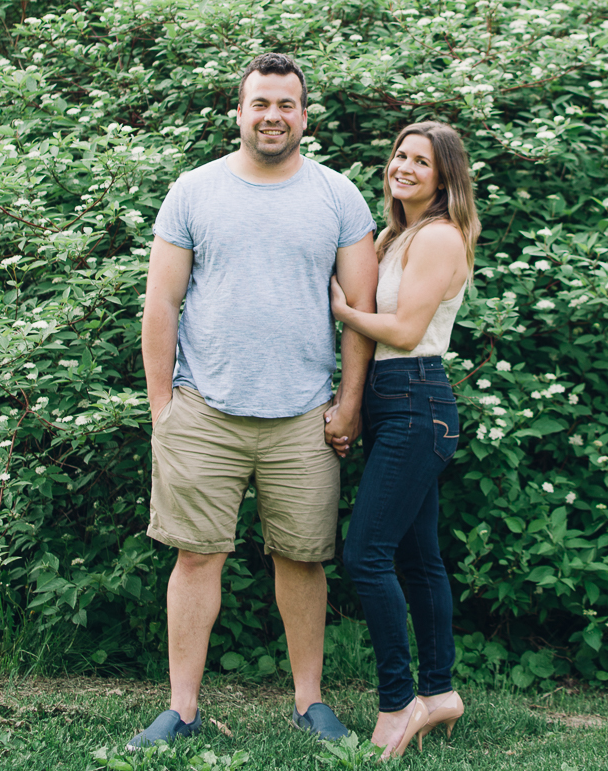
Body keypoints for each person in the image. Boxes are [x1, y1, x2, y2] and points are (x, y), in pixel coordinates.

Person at [131, 52, 380, 750]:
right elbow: (162, 301)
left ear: (304, 116)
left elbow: (360, 309)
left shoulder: (337, 196)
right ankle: (181, 709)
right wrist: (162, 406)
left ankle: (310, 701)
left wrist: (349, 402)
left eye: (287, 105)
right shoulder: (194, 190)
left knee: (302, 560)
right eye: (261, 104)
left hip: (303, 414)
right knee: (195, 559)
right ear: (239, 112)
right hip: (203, 409)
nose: (273, 116)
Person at [330, 120, 479, 760]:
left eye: (422, 160)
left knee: (365, 554)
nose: (405, 166)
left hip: (418, 398)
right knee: (419, 559)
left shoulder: (441, 237)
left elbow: (405, 326)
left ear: (445, 177)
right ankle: (440, 691)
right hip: (398, 401)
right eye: (399, 154)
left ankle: (399, 702)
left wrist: (339, 308)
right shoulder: (395, 236)